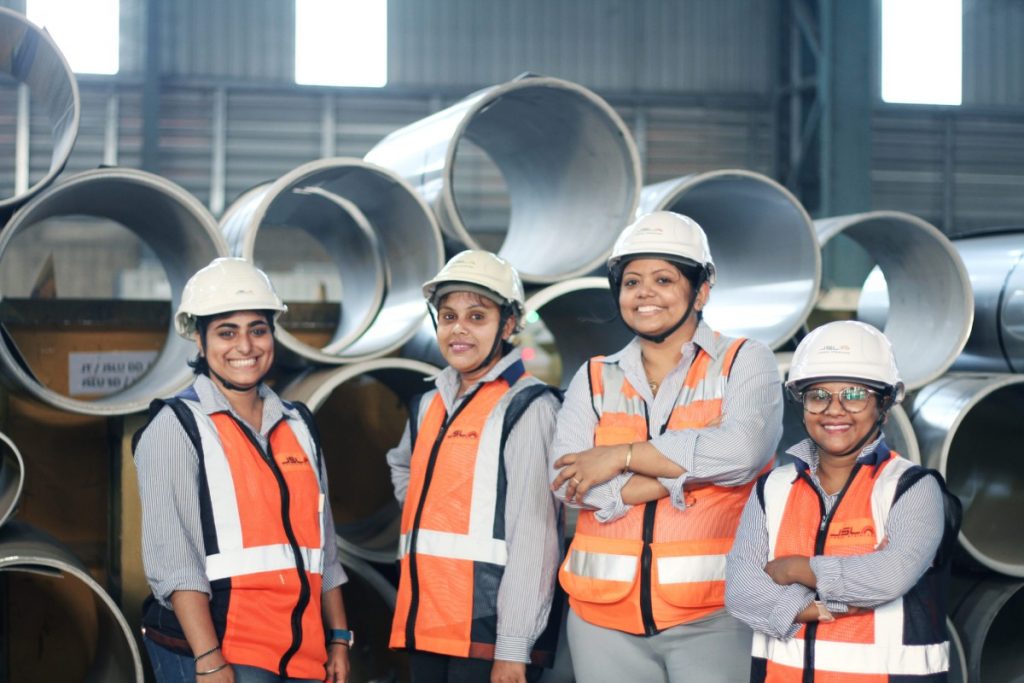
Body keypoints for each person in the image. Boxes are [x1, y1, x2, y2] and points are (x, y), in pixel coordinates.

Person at [549, 211, 783, 682]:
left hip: (716, 615)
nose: (644, 293)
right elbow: (568, 483)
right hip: (601, 619)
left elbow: (741, 454)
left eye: (663, 279)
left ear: (701, 290)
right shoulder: (595, 376)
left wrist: (619, 456)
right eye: (632, 281)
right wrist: (687, 471)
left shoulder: (744, 361)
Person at [134, 257, 351, 683]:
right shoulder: (176, 426)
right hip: (223, 653)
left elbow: (324, 547)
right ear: (200, 340)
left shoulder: (299, 424)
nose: (245, 347)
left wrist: (339, 638)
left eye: (258, 329)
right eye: (226, 332)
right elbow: (174, 562)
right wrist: (209, 659)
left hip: (301, 654)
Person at [725, 320, 961, 681]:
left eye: (853, 394)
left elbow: (889, 577)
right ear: (802, 404)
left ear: (883, 403)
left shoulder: (912, 488)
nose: (834, 410)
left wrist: (796, 569)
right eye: (819, 396)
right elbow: (741, 591)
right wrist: (820, 605)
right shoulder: (772, 487)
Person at [386, 250, 563, 683]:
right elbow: (402, 467)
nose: (458, 329)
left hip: (489, 633)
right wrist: (437, 506)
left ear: (507, 325)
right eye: (448, 316)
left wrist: (513, 648)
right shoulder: (429, 401)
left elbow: (535, 537)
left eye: (477, 316)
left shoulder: (528, 406)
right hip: (426, 622)